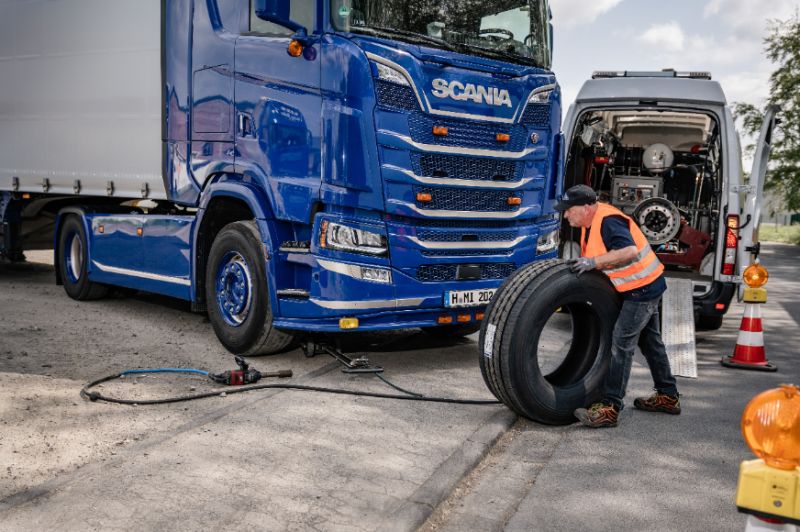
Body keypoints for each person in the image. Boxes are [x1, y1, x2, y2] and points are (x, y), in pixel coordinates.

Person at [555, 184, 680, 428]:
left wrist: (594, 262)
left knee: (620, 344)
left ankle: (611, 407)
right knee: (651, 343)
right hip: (642, 285)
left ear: (588, 207)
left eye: (570, 210)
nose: (566, 214)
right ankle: (668, 396)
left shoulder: (608, 221)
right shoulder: (589, 224)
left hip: (641, 289)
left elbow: (630, 252)